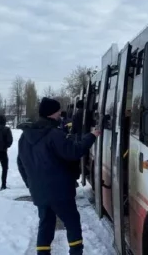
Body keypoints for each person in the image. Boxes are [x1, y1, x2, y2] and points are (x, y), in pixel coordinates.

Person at [17, 97, 100, 255]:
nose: (60, 115)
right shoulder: (54, 134)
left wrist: (31, 184)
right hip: (60, 191)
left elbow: (21, 164)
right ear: (51, 113)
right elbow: (73, 152)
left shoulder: (24, 137)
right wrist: (92, 136)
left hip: (39, 191)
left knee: (46, 224)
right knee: (72, 222)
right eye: (57, 111)